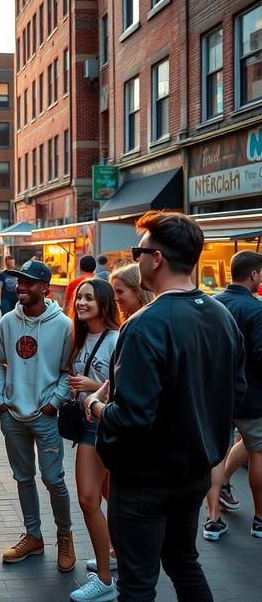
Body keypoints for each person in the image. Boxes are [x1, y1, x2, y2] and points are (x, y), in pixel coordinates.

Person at [84, 211, 246, 602]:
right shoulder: (221, 315)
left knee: (138, 583)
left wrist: (95, 405)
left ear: (156, 258)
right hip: (194, 472)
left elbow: (133, 418)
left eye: (139, 250)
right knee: (183, 562)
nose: (135, 258)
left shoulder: (144, 324)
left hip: (145, 478)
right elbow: (234, 391)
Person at [0, 260, 76, 572]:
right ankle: (34, 535)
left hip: (46, 415)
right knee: (23, 478)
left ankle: (65, 535)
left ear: (45, 288)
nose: (20, 287)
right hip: (13, 415)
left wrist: (55, 401)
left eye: (28, 282)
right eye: (18, 281)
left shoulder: (64, 325)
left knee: (54, 479)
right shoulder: (8, 322)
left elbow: (70, 371)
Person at [66, 279, 120, 602]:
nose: (82, 303)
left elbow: (122, 387)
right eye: (79, 298)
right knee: (106, 493)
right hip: (85, 422)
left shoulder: (116, 339)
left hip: (101, 424)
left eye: (88, 298)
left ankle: (104, 579)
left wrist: (91, 385)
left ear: (104, 302)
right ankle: (115, 555)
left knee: (88, 499)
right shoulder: (80, 336)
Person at [208, 250, 262, 540]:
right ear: (254, 275)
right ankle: (260, 520)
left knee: (216, 455)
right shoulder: (257, 310)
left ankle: (213, 518)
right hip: (252, 397)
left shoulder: (211, 305)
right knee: (258, 452)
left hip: (215, 397)